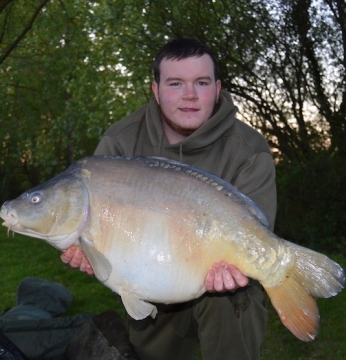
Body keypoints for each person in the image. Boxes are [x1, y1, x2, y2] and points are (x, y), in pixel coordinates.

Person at [61, 38, 277, 360]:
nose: (189, 95)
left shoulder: (249, 150)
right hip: (149, 285)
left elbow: (258, 235)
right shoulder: (120, 142)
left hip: (224, 285)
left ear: (217, 89)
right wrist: (90, 252)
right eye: (175, 83)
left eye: (201, 83)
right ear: (156, 89)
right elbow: (93, 226)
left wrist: (240, 268)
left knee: (234, 306)